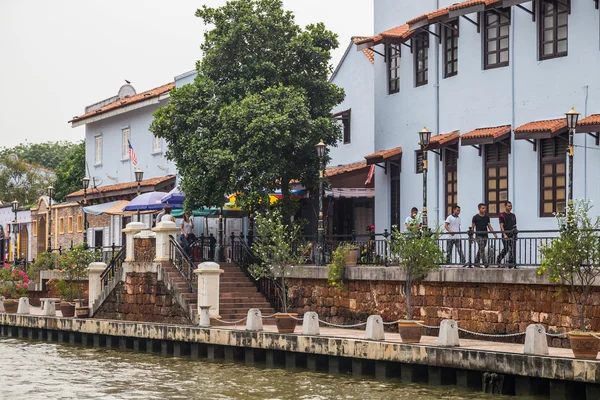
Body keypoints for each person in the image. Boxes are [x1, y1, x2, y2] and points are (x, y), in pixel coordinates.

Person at [471, 203, 497, 268]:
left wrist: (494, 233)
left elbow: (489, 226)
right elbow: (472, 227)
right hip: (478, 235)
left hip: (485, 235)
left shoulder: (486, 217)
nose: (484, 209)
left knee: (481, 249)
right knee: (482, 248)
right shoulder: (475, 217)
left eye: (485, 208)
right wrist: (471, 236)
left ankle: (476, 262)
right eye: (482, 208)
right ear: (479, 209)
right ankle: (485, 263)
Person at [497, 201, 517, 268]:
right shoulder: (502, 215)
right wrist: (504, 234)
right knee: (506, 248)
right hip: (505, 234)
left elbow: (514, 225)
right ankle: (499, 258)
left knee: (512, 249)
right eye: (509, 206)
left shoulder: (513, 216)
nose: (510, 207)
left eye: (511, 206)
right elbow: (501, 225)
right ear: (505, 206)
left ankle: (511, 263)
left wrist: (516, 234)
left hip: (512, 234)